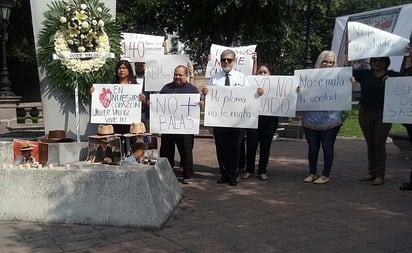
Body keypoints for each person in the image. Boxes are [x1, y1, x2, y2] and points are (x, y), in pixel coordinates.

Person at [203, 49, 263, 186]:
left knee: (235, 148)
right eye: (223, 59)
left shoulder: (241, 78)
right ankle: (223, 174)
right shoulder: (214, 78)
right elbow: (210, 98)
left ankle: (233, 175)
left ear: (234, 62)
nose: (226, 62)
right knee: (221, 148)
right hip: (219, 120)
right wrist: (206, 92)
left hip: (237, 121)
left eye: (229, 60)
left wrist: (258, 93)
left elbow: (249, 96)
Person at [352, 56, 403, 185]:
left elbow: (406, 79)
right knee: (370, 143)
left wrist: (392, 81)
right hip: (366, 112)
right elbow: (348, 70)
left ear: (386, 63)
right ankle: (372, 172)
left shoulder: (392, 75)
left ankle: (380, 174)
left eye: (381, 61)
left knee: (379, 143)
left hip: (384, 113)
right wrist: (350, 51)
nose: (377, 63)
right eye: (374, 61)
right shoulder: (365, 75)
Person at [301, 51, 342, 184]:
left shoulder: (339, 77)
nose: (328, 65)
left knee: (327, 147)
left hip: (330, 119)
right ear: (320, 61)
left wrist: (349, 83)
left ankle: (325, 174)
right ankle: (312, 173)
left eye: (331, 62)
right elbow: (301, 91)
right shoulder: (309, 76)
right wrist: (298, 90)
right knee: (312, 148)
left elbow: (345, 92)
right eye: (325, 61)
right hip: (310, 118)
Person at [158, 65, 201, 184]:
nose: (177, 77)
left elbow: (196, 106)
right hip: (168, 126)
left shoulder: (192, 90)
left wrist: (200, 105)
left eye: (180, 75)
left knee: (186, 151)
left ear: (186, 76)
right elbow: (159, 105)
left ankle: (187, 175)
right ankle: (166, 173)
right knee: (166, 151)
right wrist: (153, 104)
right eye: (175, 74)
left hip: (185, 127)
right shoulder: (166, 88)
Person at [241, 63, 279, 181]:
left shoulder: (276, 87)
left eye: (265, 72)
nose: (262, 74)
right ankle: (249, 170)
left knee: (265, 147)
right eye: (260, 72)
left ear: (270, 74)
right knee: (251, 146)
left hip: (269, 122)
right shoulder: (251, 86)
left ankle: (262, 170)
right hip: (253, 121)